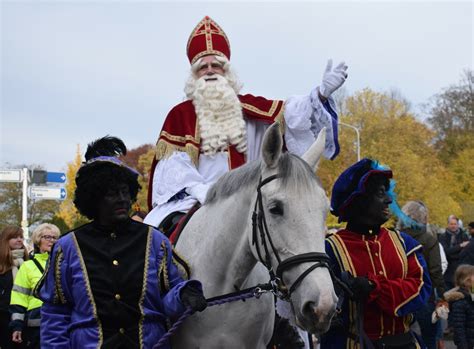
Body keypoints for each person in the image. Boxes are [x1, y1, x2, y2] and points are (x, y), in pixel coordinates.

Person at [145, 16, 348, 231]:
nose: (211, 70)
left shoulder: (251, 108)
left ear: (227, 72)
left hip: (251, 201)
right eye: (203, 67)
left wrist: (321, 95)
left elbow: (294, 115)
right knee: (156, 236)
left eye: (217, 65)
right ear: (194, 76)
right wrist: (205, 193)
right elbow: (174, 168)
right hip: (195, 202)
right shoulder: (180, 115)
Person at [37, 136, 207, 348]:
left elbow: (167, 299)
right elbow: (55, 315)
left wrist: (183, 295)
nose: (122, 199)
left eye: (125, 192)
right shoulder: (68, 247)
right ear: (94, 198)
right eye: (111, 194)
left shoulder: (155, 241)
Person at [321, 158, 432, 349]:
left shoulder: (405, 243)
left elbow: (421, 288)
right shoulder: (330, 249)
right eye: (381, 193)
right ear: (359, 200)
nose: (389, 199)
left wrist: (375, 288)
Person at [396, 200, 446, 349]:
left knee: (401, 338)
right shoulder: (429, 239)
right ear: (423, 217)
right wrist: (443, 294)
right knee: (429, 338)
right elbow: (435, 269)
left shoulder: (395, 237)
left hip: (400, 294)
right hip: (424, 294)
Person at [9, 223, 59, 349]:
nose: (51, 240)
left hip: (60, 321)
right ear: (38, 240)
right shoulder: (27, 266)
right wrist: (17, 326)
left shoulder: (64, 263)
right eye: (47, 237)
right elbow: (19, 298)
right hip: (37, 324)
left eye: (55, 237)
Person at [0, 226, 28, 349]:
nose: (19, 240)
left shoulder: (28, 262)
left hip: (25, 315)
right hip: (3, 316)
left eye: (21, 237)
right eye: (14, 237)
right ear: (6, 240)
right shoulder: (2, 264)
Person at [443, 264, 474, 349]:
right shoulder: (460, 303)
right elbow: (459, 328)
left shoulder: (471, 296)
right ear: (466, 281)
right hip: (468, 343)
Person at [439, 215, 470, 289]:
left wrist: (453, 251)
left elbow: (465, 252)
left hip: (461, 269)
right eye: (451, 224)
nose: (453, 226)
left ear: (458, 225)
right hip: (447, 270)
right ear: (448, 224)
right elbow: (445, 252)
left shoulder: (464, 236)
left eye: (455, 224)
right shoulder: (442, 237)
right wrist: (460, 246)